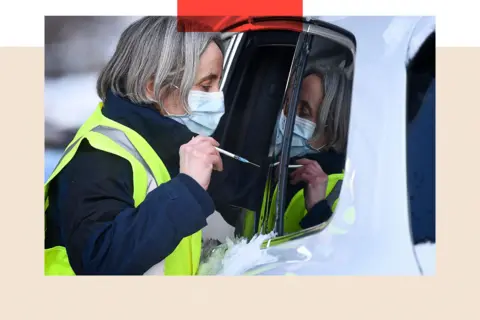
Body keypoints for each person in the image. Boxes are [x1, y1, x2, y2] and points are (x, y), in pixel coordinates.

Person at [44, 16, 229, 275]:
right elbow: (100, 261)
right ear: (153, 87)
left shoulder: (171, 145)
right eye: (205, 85)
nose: (218, 98)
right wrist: (187, 189)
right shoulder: (99, 155)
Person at [257, 66, 352, 235]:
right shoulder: (276, 168)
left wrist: (318, 210)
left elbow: (346, 256)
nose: (287, 117)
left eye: (303, 111)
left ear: (331, 126)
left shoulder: (346, 190)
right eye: (288, 105)